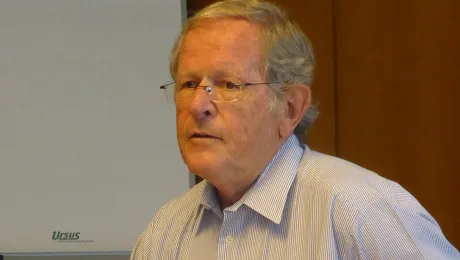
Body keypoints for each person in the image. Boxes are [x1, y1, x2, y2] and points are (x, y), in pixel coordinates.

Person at [131, 0, 459, 259]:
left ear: (290, 107)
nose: (198, 105)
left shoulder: (360, 211)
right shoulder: (166, 231)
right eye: (189, 84)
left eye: (229, 85)